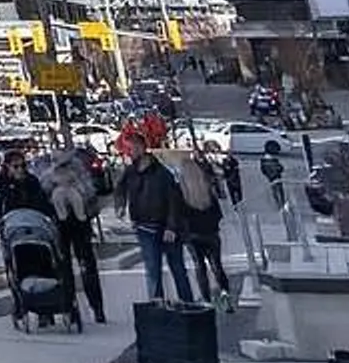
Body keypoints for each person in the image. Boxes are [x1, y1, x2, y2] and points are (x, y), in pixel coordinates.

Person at [34, 142, 109, 324]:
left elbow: (90, 191)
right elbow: (44, 192)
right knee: (63, 267)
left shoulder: (77, 168)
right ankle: (69, 307)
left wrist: (77, 188)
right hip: (60, 226)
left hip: (80, 223)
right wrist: (54, 184)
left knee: (87, 265)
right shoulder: (46, 170)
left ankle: (97, 307)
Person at [122, 138, 190, 305]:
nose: (132, 152)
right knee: (153, 270)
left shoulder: (162, 173)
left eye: (135, 148)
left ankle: (187, 302)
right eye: (130, 149)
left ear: (144, 149)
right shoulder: (131, 172)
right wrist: (122, 208)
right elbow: (121, 190)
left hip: (165, 226)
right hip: (144, 227)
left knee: (177, 268)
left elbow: (174, 200)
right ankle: (157, 305)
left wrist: (171, 226)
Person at [177, 142, 229, 299]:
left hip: (193, 235)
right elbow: (218, 214)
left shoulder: (182, 194)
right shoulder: (207, 192)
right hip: (211, 233)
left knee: (199, 267)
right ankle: (226, 296)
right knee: (217, 265)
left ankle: (206, 299)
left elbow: (179, 216)